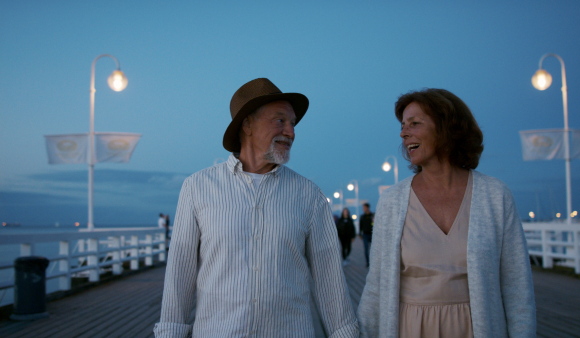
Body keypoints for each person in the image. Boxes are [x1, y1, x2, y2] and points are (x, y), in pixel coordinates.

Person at [154, 78, 358, 337]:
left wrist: (344, 333)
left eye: (293, 123)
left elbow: (329, 278)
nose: (291, 132)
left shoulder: (309, 195)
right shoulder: (197, 188)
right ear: (247, 124)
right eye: (280, 120)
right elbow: (179, 275)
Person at [357, 88, 536, 337]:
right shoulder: (392, 201)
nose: (403, 132)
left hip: (477, 328)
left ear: (447, 127)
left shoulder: (495, 195)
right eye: (402, 125)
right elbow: (376, 286)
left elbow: (517, 286)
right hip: (410, 328)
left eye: (414, 123)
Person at [358, 203, 374, 268]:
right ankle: (368, 262)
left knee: (373, 249)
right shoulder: (362, 217)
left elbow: (374, 224)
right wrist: (360, 233)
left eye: (364, 207)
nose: (363, 209)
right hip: (365, 235)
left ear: (368, 208)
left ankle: (374, 262)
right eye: (363, 208)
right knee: (366, 249)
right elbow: (360, 226)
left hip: (372, 234)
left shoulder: (372, 216)